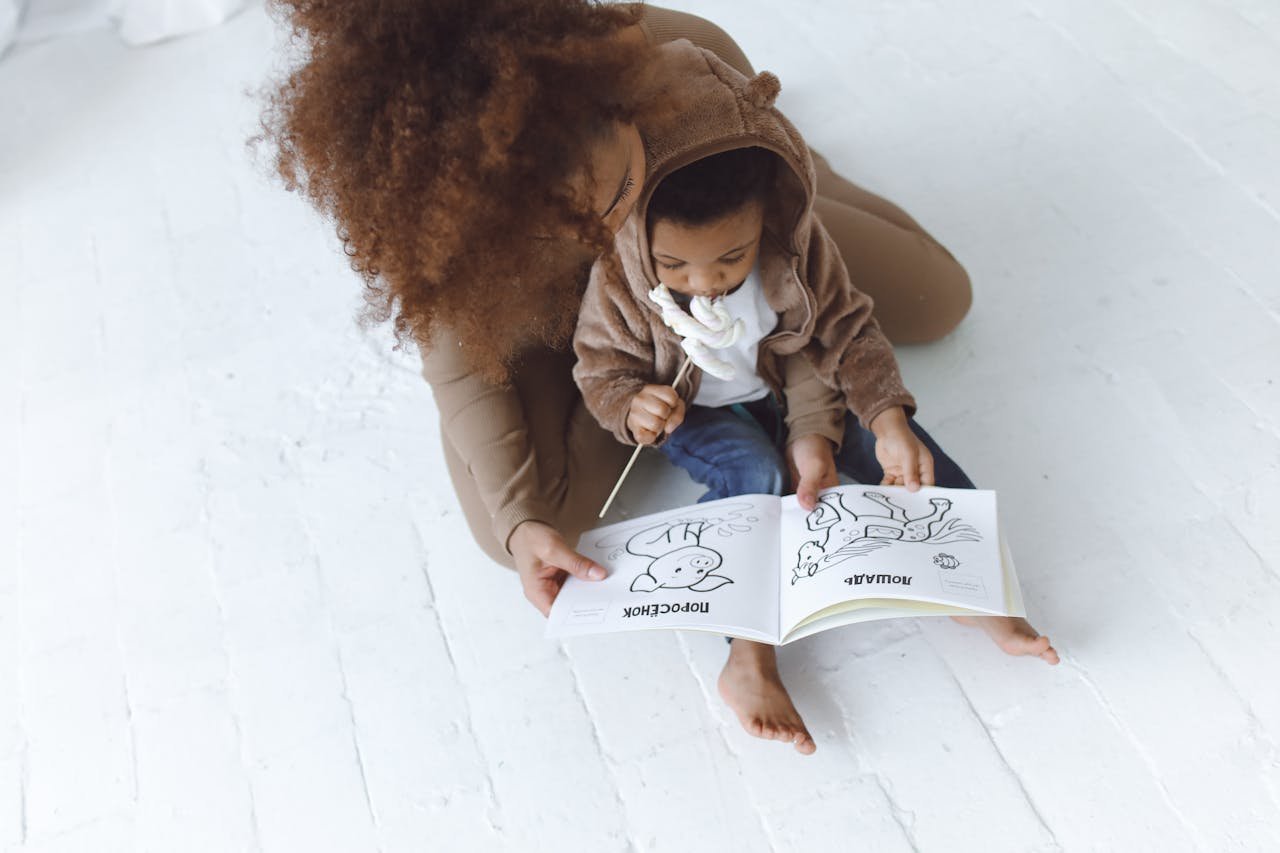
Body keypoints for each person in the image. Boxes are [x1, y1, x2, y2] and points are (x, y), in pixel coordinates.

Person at [261, 1, 1050, 752]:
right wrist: (544, 486)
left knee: (940, 302)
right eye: (566, 204)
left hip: (712, 229)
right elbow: (463, 377)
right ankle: (638, 392)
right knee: (529, 532)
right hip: (603, 315)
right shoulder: (446, 218)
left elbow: (835, 327)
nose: (594, 211)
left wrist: (770, 246)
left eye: (603, 184)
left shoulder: (657, 75)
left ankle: (797, 171)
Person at [573, 57, 1057, 753]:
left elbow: (847, 333)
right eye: (675, 267)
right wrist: (630, 404)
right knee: (754, 475)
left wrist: (875, 421)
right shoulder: (620, 276)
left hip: (787, 381)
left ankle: (973, 586)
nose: (704, 284)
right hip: (699, 412)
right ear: (636, 237)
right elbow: (598, 368)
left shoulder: (793, 250)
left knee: (892, 439)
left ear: (767, 217)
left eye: (729, 259)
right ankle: (749, 655)